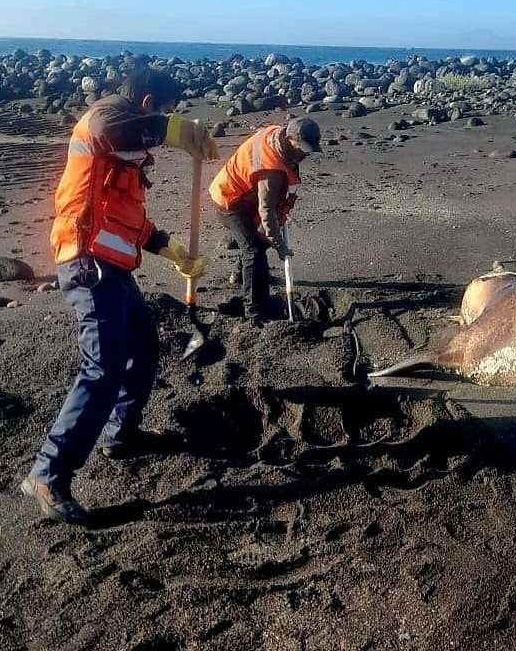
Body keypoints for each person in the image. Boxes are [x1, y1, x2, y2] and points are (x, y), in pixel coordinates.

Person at [21, 68, 219, 524]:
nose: (162, 128)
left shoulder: (125, 159)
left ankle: (120, 433)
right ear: (148, 103)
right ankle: (48, 473)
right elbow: (111, 129)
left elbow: (130, 220)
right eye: (164, 113)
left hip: (111, 268)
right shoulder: (106, 119)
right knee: (103, 366)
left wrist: (172, 252)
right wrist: (177, 130)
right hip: (85, 259)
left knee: (144, 347)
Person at [208, 117, 321, 326]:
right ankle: (255, 314)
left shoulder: (278, 137)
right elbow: (267, 211)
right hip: (229, 199)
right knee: (254, 251)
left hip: (247, 193)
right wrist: (281, 247)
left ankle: (240, 276)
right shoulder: (271, 172)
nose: (306, 154)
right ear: (289, 139)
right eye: (303, 148)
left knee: (258, 240)